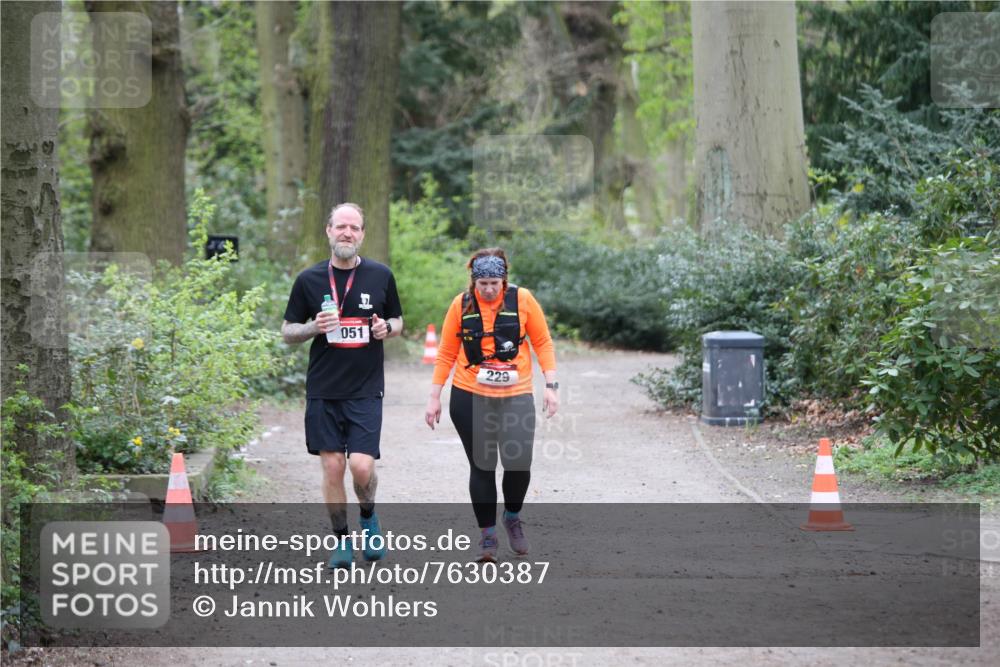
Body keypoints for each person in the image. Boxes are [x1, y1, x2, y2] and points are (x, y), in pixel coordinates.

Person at [282, 203, 403, 569]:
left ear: (362, 234)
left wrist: (387, 329)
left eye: (354, 227)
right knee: (333, 468)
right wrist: (313, 327)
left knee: (362, 467)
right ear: (329, 231)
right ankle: (341, 541)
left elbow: (398, 320)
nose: (347, 233)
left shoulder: (380, 275)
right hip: (323, 389)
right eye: (341, 226)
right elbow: (287, 331)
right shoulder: (309, 279)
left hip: (365, 389)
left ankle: (368, 516)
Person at [425, 248, 558, 562]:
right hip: (470, 394)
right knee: (482, 465)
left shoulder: (523, 300)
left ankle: (512, 516)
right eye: (482, 283)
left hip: (516, 393)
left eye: (493, 284)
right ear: (474, 281)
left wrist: (551, 387)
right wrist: (434, 396)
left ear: (504, 281)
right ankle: (487, 537)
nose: (487, 289)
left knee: (518, 462)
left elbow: (542, 343)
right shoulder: (461, 304)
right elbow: (446, 353)